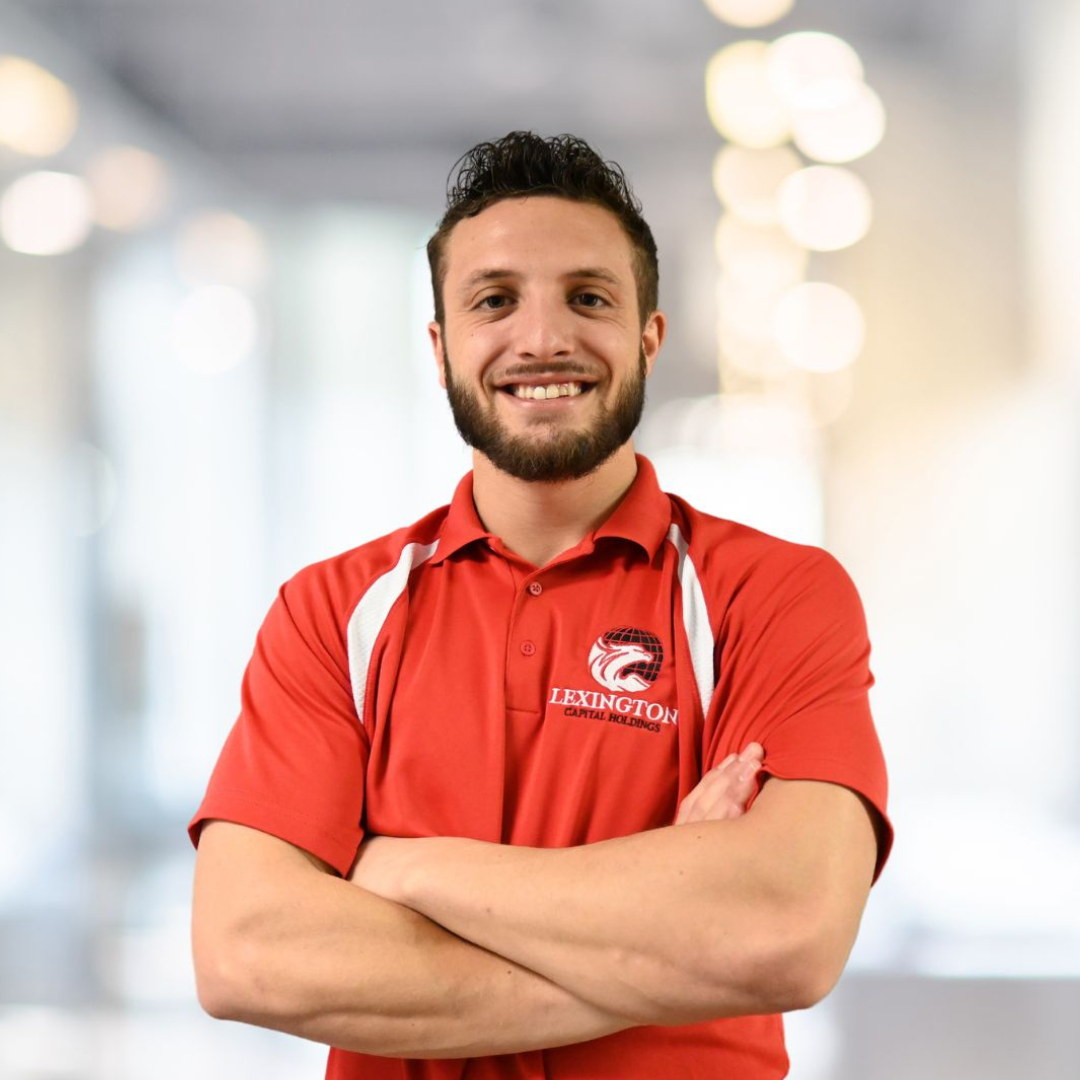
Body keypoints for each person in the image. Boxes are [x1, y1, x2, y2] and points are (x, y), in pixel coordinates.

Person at [189, 131, 893, 1080]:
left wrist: (398, 868)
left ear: (650, 336)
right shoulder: (332, 614)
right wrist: (669, 948)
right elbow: (247, 956)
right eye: (494, 301)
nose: (545, 338)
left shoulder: (772, 595)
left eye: (590, 298)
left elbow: (787, 937)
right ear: (440, 350)